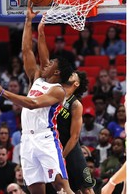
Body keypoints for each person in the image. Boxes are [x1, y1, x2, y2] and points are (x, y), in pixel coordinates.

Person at [0, 0, 74, 194]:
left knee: (60, 186)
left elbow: (33, 103)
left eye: (51, 64)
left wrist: (2, 92)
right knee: (35, 190)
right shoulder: (37, 79)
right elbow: (27, 51)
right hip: (27, 140)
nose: (46, 64)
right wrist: (29, 22)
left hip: (45, 138)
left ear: (57, 73)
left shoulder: (58, 90)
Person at [38, 20, 96, 193]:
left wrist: (62, 156)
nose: (71, 73)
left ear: (77, 83)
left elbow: (74, 137)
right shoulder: (55, 92)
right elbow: (45, 61)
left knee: (86, 189)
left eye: (74, 74)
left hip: (70, 151)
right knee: (60, 188)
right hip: (51, 145)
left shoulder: (75, 104)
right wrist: (41, 34)